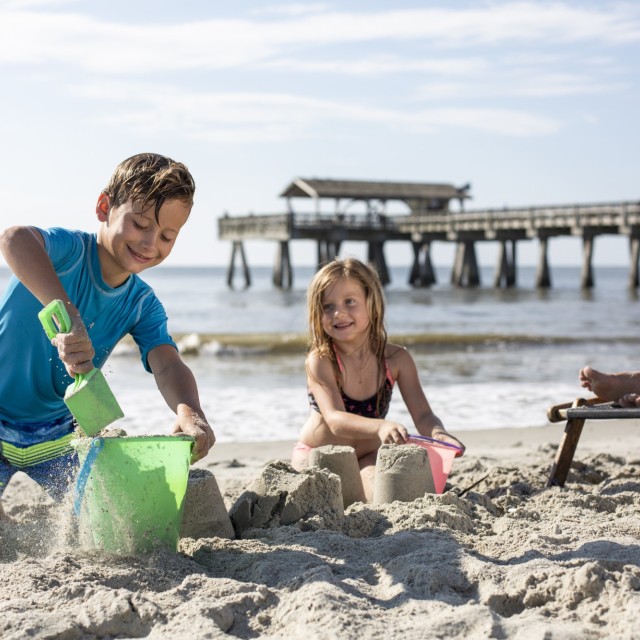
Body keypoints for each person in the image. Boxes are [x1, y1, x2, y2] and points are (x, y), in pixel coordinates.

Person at [0, 152, 215, 502]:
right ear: (104, 207)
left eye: (167, 236)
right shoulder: (68, 251)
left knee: (111, 513)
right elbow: (14, 239)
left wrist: (191, 411)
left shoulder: (142, 303)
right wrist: (69, 315)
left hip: (57, 434)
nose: (150, 244)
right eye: (140, 225)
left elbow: (167, 363)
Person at [291, 257, 465, 502]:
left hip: (369, 453)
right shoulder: (320, 360)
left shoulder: (396, 360)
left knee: (382, 496)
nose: (338, 313)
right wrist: (381, 426)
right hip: (319, 454)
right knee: (315, 501)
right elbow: (335, 420)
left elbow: (424, 416)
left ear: (371, 303)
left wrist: (439, 435)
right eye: (327, 306)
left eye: (350, 302)